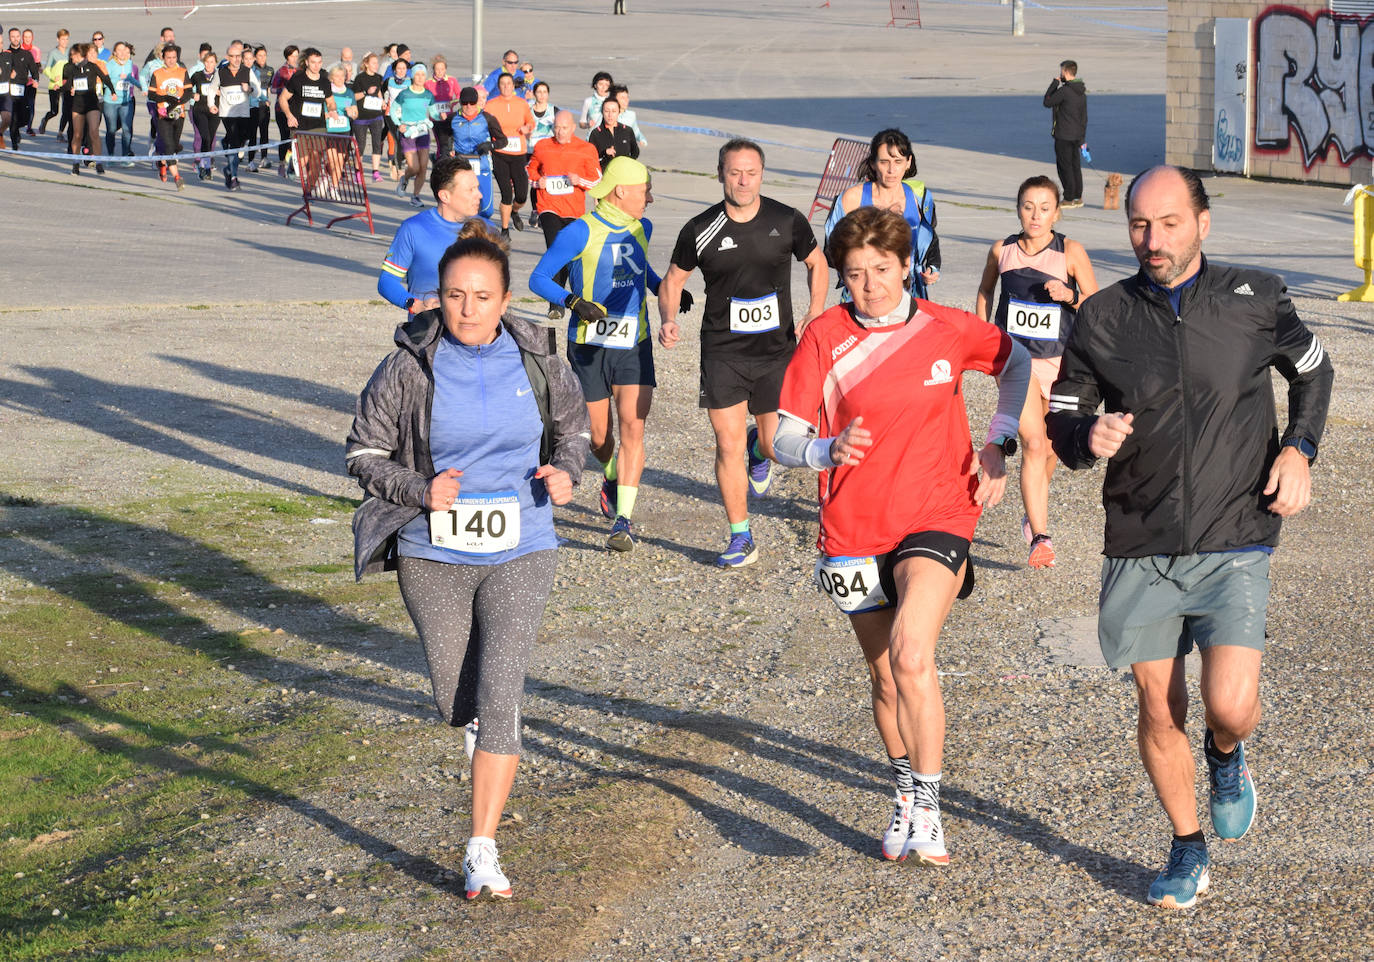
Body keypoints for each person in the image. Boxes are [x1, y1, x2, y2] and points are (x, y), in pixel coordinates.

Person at [1045, 166, 1332, 908]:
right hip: (1139, 539)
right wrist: (1086, 432)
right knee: (1157, 708)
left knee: (1230, 705)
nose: (1153, 239)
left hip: (1236, 530)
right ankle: (1184, 844)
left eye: (1170, 223)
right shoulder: (1102, 315)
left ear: (1203, 224)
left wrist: (1299, 447)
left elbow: (1314, 369)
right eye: (1140, 224)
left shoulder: (1257, 298)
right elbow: (1062, 415)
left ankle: (1226, 754)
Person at [772, 205, 1030, 866]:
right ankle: (904, 792)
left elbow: (1016, 362)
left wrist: (999, 443)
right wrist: (825, 451)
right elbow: (778, 437)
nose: (869, 286)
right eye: (855, 275)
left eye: (881, 271)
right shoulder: (826, 336)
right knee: (885, 676)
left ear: (907, 265)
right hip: (852, 527)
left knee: (914, 654)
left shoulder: (945, 328)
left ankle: (932, 806)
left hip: (938, 513)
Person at [347, 221, 590, 902]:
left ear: (505, 297)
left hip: (523, 542)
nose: (468, 309)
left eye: (482, 296)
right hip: (433, 551)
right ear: (438, 297)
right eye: (454, 295)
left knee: (502, 690)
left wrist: (566, 472)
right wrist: (420, 490)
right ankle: (481, 727)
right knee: (458, 697)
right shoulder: (407, 366)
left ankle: (481, 848)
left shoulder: (539, 356)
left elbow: (574, 434)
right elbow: (361, 454)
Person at [657, 138, 827, 568]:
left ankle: (759, 448)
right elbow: (672, 280)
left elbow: (817, 263)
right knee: (725, 444)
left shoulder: (786, 220)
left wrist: (815, 310)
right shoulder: (701, 228)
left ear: (762, 174)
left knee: (773, 446)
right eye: (735, 172)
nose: (743, 180)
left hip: (775, 353)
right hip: (723, 352)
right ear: (720, 174)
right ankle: (740, 536)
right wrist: (669, 318)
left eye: (751, 172)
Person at [529, 156, 666, 551]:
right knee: (599, 434)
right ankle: (609, 473)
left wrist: (663, 288)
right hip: (590, 345)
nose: (651, 199)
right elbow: (537, 278)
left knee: (633, 428)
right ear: (621, 191)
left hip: (633, 343)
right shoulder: (578, 232)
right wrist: (573, 301)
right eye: (645, 191)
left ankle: (623, 521)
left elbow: (639, 268)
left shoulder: (643, 227)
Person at [974, 175, 1098, 568]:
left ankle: (1034, 512)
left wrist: (1071, 295)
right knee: (1033, 443)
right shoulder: (1002, 250)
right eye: (1028, 206)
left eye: (1044, 208)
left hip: (1061, 363)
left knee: (1051, 449)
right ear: (1018, 208)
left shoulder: (1070, 252)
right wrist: (984, 335)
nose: (1035, 215)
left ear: (1057, 213)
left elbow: (1096, 306)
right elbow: (984, 291)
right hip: (1016, 360)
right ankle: (1041, 539)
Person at [825, 128, 940, 299]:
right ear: (873, 163)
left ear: (908, 162)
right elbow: (831, 250)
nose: (891, 170)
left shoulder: (921, 198)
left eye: (898, 161)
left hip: (910, 294)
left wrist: (932, 268)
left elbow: (930, 241)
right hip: (866, 292)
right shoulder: (851, 199)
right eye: (884, 162)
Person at [379, 155, 495, 313]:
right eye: (471, 190)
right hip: (430, 330)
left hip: (476, 331)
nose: (480, 195)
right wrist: (414, 304)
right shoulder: (413, 229)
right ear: (444, 196)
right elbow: (387, 281)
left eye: (477, 188)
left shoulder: (488, 229)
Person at [525, 109, 601, 319]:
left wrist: (579, 181)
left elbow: (596, 179)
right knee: (554, 246)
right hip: (548, 206)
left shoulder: (586, 149)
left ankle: (561, 296)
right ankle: (555, 304)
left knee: (566, 253)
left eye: (564, 128)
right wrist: (536, 182)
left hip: (574, 210)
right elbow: (530, 170)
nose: (559, 132)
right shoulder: (542, 146)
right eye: (556, 127)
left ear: (573, 128)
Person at [486, 71, 535, 238]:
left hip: (518, 153)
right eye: (502, 84)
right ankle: (505, 230)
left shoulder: (522, 103)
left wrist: (527, 128)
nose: (506, 86)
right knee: (506, 193)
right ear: (498, 86)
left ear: (513, 85)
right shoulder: (490, 105)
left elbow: (530, 122)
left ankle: (515, 211)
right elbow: (484, 124)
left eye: (509, 83)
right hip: (499, 152)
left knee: (521, 195)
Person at [450, 85, 506, 220]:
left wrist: (490, 145)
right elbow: (442, 136)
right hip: (461, 165)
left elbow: (503, 141)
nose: (468, 106)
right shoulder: (452, 119)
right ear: (460, 103)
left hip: (482, 165)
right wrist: (446, 151)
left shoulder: (487, 118)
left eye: (472, 103)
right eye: (464, 103)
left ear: (477, 102)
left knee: (486, 209)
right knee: (463, 206)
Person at [212, 41, 261, 191]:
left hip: (247, 110)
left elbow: (258, 92)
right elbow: (213, 87)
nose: (238, 59)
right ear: (229, 57)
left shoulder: (250, 71)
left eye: (240, 56)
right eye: (235, 56)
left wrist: (250, 88)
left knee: (244, 138)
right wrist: (212, 103)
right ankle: (233, 176)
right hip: (228, 113)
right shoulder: (222, 69)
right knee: (235, 143)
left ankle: (226, 145)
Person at [389, 61, 439, 208]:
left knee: (423, 167)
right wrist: (399, 124)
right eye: (417, 74)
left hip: (423, 132)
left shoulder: (428, 95)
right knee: (414, 166)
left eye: (423, 74)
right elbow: (393, 110)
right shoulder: (405, 94)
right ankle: (405, 178)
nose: (420, 77)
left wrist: (440, 115)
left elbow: (433, 112)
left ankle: (415, 196)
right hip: (408, 133)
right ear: (412, 76)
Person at [280, 47, 329, 190]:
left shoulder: (325, 82)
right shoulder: (297, 79)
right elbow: (283, 98)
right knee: (303, 160)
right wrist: (289, 116)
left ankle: (309, 190)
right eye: (313, 62)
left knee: (316, 161)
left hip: (319, 126)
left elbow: (331, 102)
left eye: (319, 62)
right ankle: (292, 165)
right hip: (300, 126)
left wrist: (332, 111)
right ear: (307, 62)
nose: (317, 66)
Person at [1043, 60, 1087, 208]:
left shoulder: (1064, 91)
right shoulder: (1081, 91)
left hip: (1063, 135)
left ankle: (1068, 198)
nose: (1060, 74)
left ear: (1067, 72)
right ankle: (1077, 196)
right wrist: (1082, 138)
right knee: (1075, 165)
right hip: (1076, 135)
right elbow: (1083, 116)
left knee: (1064, 166)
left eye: (1061, 72)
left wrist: (1054, 84)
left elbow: (1047, 102)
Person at [148, 42, 191, 189]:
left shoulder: (183, 72)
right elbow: (151, 94)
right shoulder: (157, 73)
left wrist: (178, 101)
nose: (171, 60)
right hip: (163, 114)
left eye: (174, 57)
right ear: (163, 58)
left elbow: (189, 92)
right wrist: (165, 99)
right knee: (169, 146)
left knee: (173, 145)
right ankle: (177, 177)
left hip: (179, 113)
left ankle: (162, 161)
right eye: (168, 57)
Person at [63, 43, 107, 175]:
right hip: (78, 104)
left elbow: (106, 78)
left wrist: (113, 92)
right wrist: (63, 88)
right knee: (78, 134)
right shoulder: (72, 68)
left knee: (94, 132)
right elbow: (67, 84)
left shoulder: (95, 66)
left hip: (93, 102)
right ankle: (76, 163)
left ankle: (98, 162)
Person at [99, 41, 138, 165]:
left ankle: (125, 157)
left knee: (127, 129)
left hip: (126, 101)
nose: (122, 53)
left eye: (124, 50)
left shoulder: (130, 64)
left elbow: (133, 80)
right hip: (111, 101)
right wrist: (117, 80)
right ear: (115, 53)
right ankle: (111, 156)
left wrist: (143, 88)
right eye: (119, 50)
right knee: (111, 129)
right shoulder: (109, 65)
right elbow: (104, 82)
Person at [351, 51, 386, 182]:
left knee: (377, 143)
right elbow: (354, 96)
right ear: (366, 64)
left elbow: (378, 92)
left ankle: (375, 172)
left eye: (377, 63)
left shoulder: (378, 77)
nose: (376, 65)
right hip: (361, 116)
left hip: (376, 115)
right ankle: (358, 172)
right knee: (361, 145)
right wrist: (366, 92)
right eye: (373, 63)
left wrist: (382, 101)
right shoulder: (360, 78)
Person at [5, 28, 40, 150]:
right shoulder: (5, 54)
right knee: (13, 117)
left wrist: (36, 80)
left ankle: (15, 128)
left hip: (23, 89)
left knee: (25, 117)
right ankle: (14, 143)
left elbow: (34, 70)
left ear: (20, 37)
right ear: (9, 38)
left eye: (17, 36)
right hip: (9, 92)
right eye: (12, 36)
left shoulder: (26, 54)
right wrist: (8, 75)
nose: (15, 39)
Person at [189, 49, 220, 181]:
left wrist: (221, 92)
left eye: (212, 62)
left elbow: (229, 89)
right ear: (203, 62)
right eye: (207, 62)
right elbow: (185, 88)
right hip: (200, 109)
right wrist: (192, 94)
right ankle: (204, 166)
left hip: (214, 110)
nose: (209, 65)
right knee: (205, 136)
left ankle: (206, 166)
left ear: (215, 63)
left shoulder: (220, 76)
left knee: (211, 137)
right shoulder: (197, 75)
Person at [426, 55, 458, 162]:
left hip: (449, 117)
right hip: (435, 118)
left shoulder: (452, 80)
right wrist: (434, 111)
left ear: (446, 69)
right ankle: (439, 162)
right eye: (437, 69)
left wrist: (451, 104)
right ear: (433, 69)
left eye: (442, 69)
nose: (440, 71)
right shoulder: (428, 83)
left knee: (449, 143)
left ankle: (438, 159)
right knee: (440, 143)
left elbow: (459, 96)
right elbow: (425, 101)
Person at [269, 45, 298, 167]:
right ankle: (282, 161)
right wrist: (285, 90)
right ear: (287, 56)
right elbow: (272, 89)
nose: (295, 58)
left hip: (295, 108)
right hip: (281, 109)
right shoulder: (281, 71)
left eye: (297, 56)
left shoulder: (300, 71)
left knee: (294, 136)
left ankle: (291, 159)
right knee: (285, 135)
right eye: (292, 56)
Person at [588, 96, 636, 169]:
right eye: (607, 111)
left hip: (625, 173)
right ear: (602, 112)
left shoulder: (627, 131)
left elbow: (635, 152)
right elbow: (590, 158)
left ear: (619, 112)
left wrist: (628, 163)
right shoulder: (596, 133)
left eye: (614, 111)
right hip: (605, 175)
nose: (610, 115)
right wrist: (605, 153)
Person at [38, 28, 68, 137]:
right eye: (63, 39)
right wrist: (53, 77)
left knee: (66, 111)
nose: (65, 42)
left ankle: (60, 133)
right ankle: (44, 120)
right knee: (54, 111)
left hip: (66, 85)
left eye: (66, 39)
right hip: (54, 85)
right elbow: (46, 69)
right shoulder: (53, 53)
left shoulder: (69, 52)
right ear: (58, 40)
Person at [248, 45, 273, 171]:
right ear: (255, 57)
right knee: (252, 134)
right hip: (252, 105)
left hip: (264, 106)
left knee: (264, 132)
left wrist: (268, 98)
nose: (262, 58)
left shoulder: (270, 70)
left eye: (264, 55)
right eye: (259, 56)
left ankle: (264, 158)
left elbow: (269, 87)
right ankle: (250, 161)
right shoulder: (251, 70)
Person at [610, 84, 646, 149]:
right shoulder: (606, 115)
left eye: (627, 97)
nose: (626, 100)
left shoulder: (631, 115)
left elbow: (636, 132)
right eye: (622, 98)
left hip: (626, 152)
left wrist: (642, 140)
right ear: (614, 99)